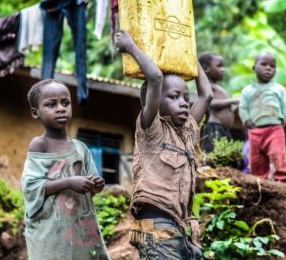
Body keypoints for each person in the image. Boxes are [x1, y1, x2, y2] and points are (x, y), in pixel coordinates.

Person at [115, 30, 213, 259]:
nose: (183, 104)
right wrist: (130, 46)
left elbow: (206, 95)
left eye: (186, 99)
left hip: (181, 226)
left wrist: (190, 53)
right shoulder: (152, 129)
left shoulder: (187, 131)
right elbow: (156, 78)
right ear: (154, 101)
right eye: (174, 97)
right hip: (152, 223)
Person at [21, 79, 110, 259]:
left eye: (65, 103)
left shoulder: (81, 148)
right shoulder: (40, 145)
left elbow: (91, 186)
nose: (60, 108)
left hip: (78, 228)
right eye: (51, 104)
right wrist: (69, 182)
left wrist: (96, 185)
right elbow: (30, 187)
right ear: (35, 112)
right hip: (49, 230)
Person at [238, 52, 286, 183]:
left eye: (272, 66)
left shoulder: (279, 89)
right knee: (256, 161)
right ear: (254, 67)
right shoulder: (248, 90)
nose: (268, 68)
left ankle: (281, 182)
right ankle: (260, 183)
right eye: (264, 64)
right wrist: (247, 120)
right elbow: (242, 107)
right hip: (255, 131)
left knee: (278, 156)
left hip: (275, 130)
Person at [199, 52, 239, 153]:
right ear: (206, 69)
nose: (223, 69)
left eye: (223, 66)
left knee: (223, 157)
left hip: (223, 129)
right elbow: (210, 103)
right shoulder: (207, 86)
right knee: (213, 156)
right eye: (219, 66)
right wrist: (233, 101)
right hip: (214, 128)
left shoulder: (217, 87)